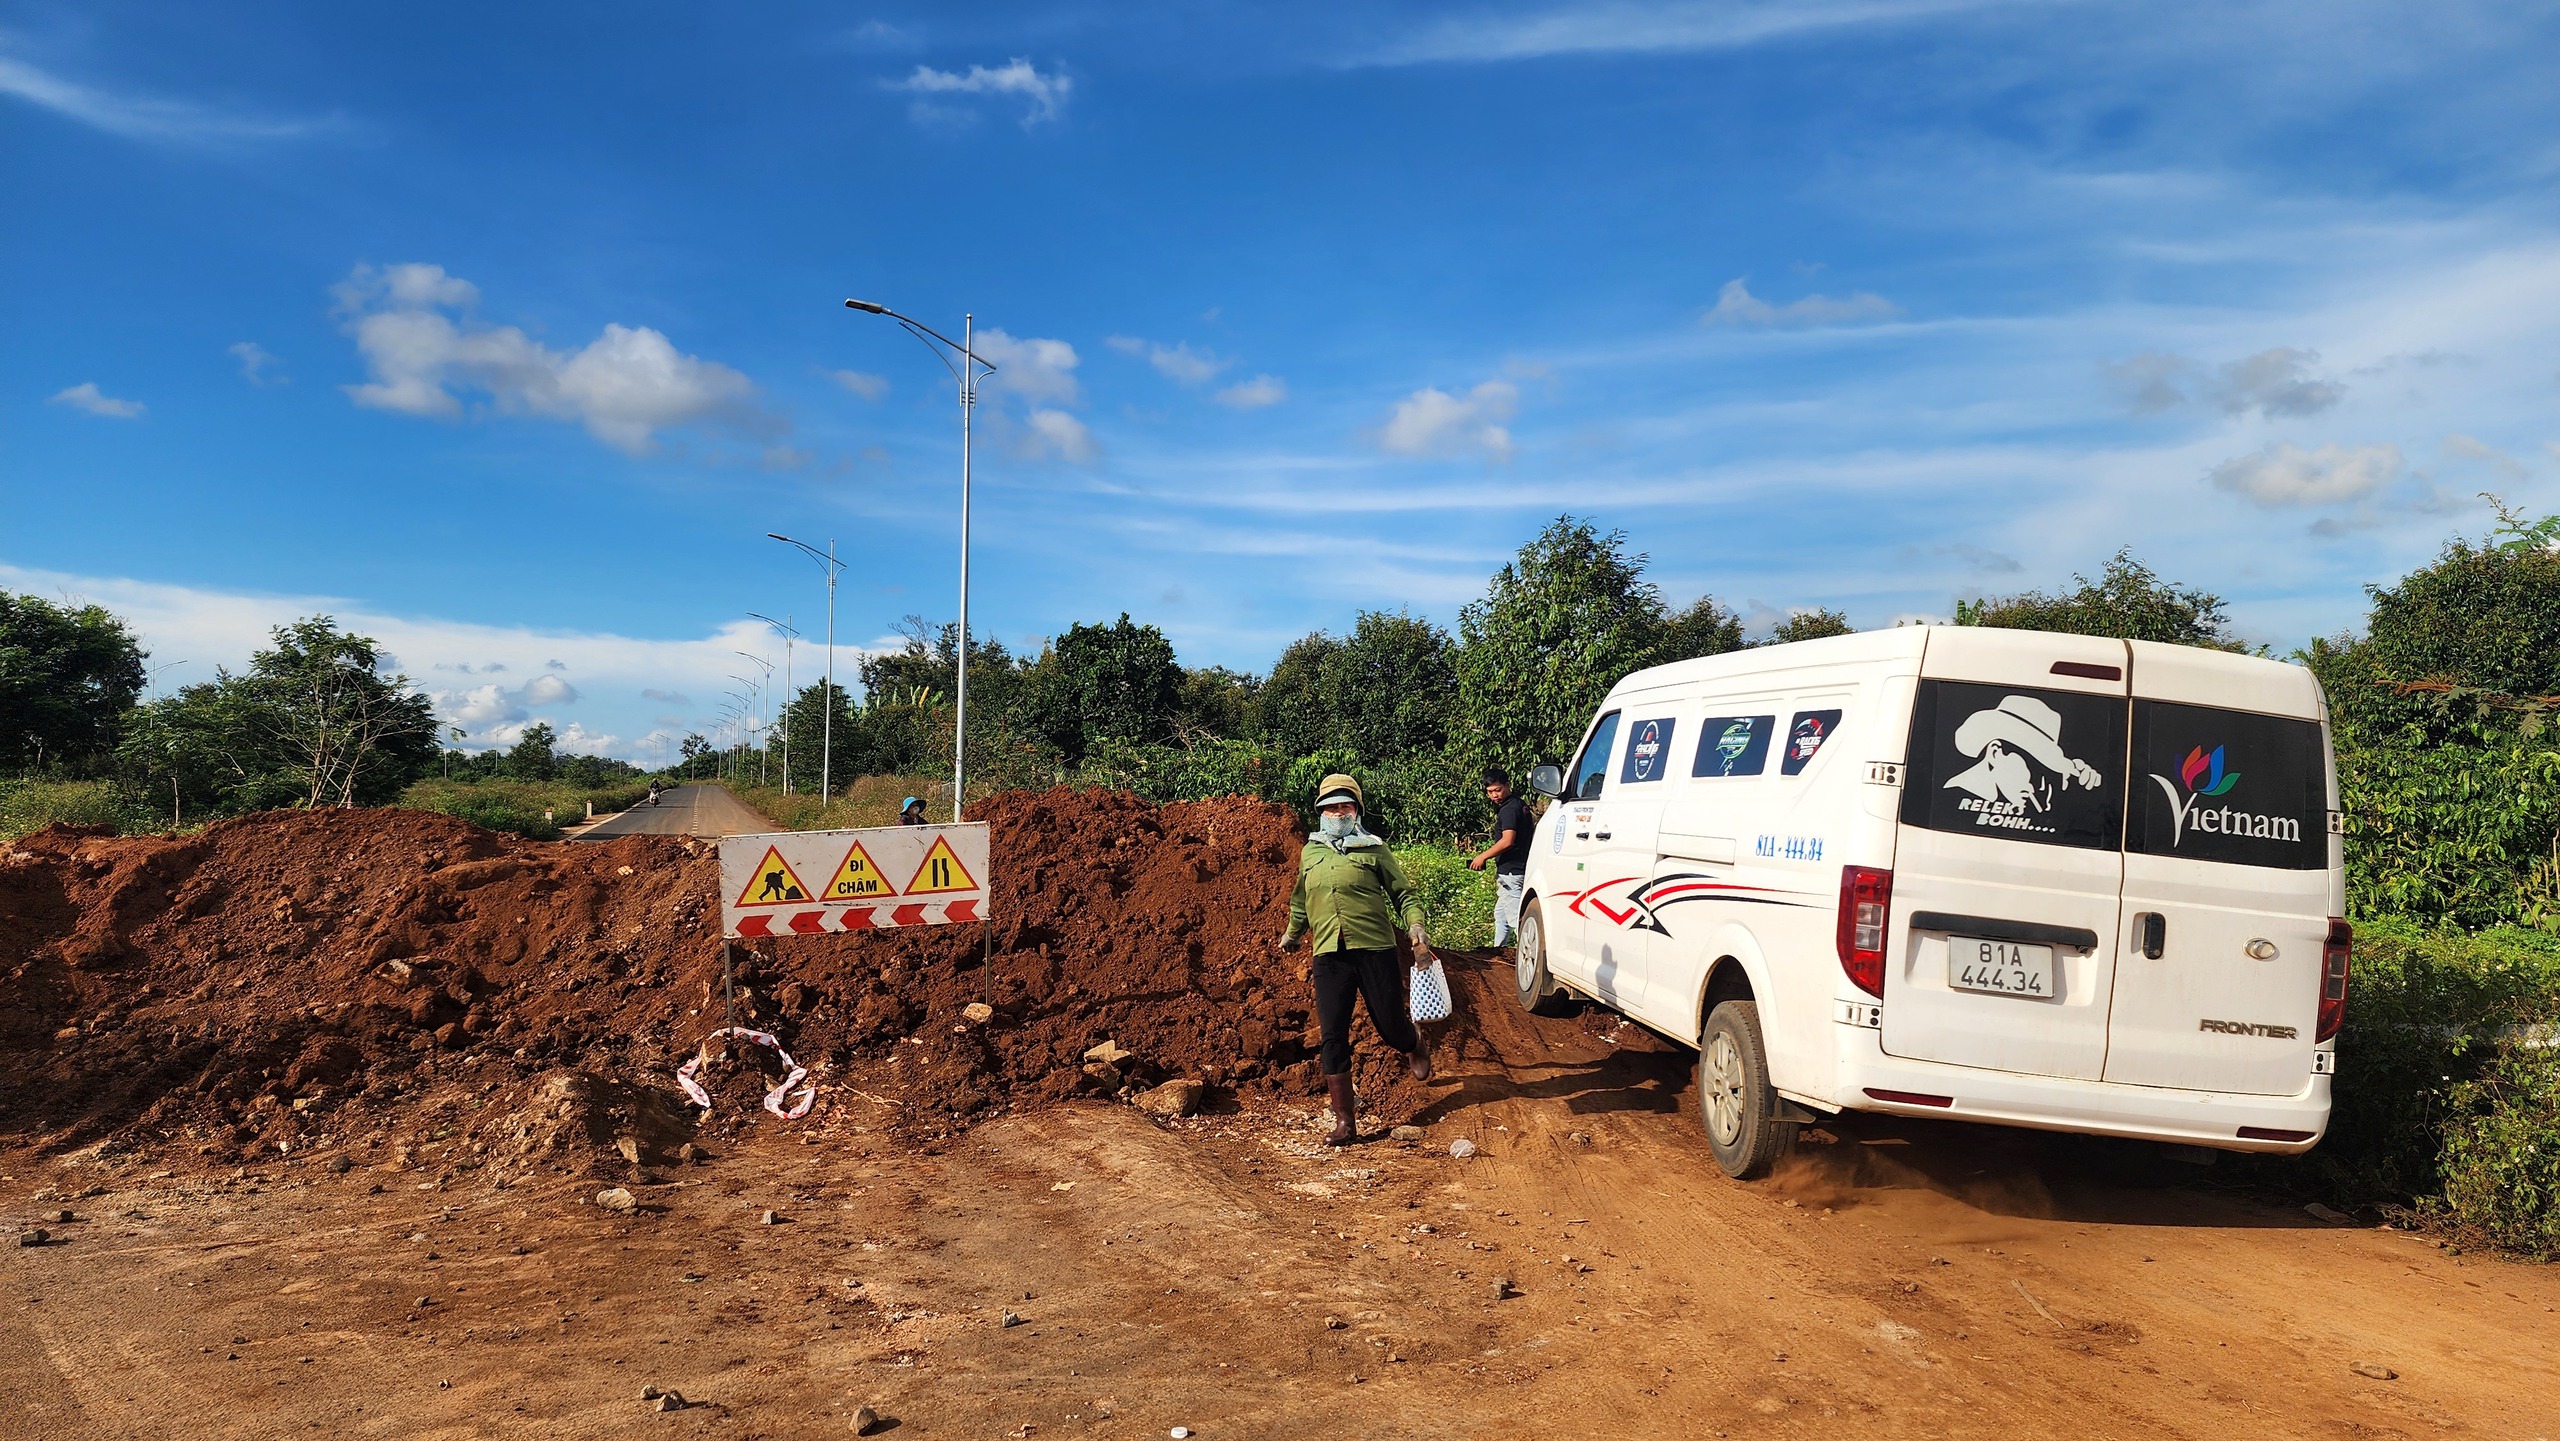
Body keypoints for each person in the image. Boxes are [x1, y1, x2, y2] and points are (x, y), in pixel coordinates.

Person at [1277, 773, 1437, 1146]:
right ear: (1321, 812)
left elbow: (1403, 894)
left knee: (1389, 1025)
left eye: (1345, 806)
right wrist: (1293, 934)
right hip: (1329, 954)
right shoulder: (1311, 852)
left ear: (1356, 810)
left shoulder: (1374, 849)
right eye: (1331, 807)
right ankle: (1345, 1122)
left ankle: (1412, 1042)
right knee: (1332, 1034)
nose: (1338, 813)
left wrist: (1416, 926)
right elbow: (1301, 899)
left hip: (1374, 949)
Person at [1468, 768, 1531, 951]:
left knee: (1516, 919)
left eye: (1497, 790)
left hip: (1511, 872)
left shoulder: (1509, 809)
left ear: (1507, 786)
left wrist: (1482, 856)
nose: (1494, 795)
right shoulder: (1519, 804)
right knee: (1501, 915)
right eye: (1490, 792)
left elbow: (1507, 840)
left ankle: (1531, 955)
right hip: (1519, 868)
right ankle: (1498, 951)